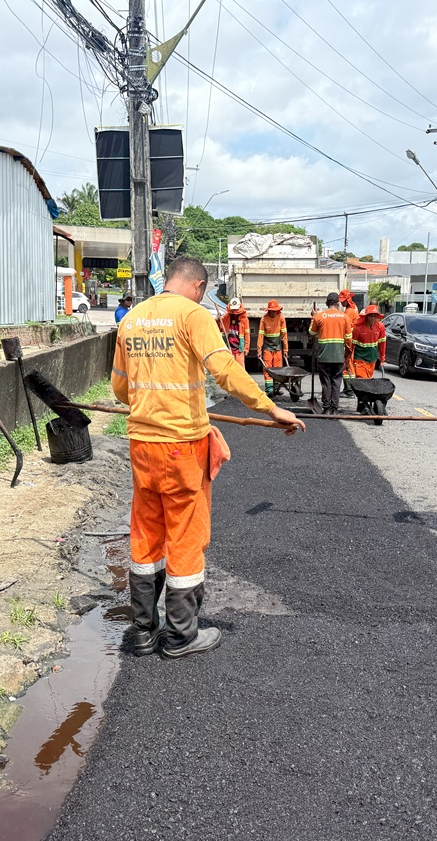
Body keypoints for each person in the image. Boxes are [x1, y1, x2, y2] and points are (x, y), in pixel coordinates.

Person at [112, 258, 304, 659]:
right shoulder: (192, 315)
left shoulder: (131, 319)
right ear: (198, 286)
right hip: (181, 446)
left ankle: (144, 631)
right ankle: (181, 636)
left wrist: (151, 404)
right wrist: (270, 408)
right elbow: (225, 371)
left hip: (141, 444)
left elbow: (120, 387)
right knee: (185, 535)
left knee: (146, 533)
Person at [308, 292, 352, 414]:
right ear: (338, 303)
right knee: (336, 382)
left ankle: (326, 408)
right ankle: (334, 408)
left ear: (327, 303)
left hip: (324, 356)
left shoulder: (319, 317)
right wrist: (347, 355)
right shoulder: (345, 317)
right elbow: (349, 339)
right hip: (338, 356)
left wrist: (313, 317)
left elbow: (312, 333)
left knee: (326, 382)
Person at [257, 300, 289, 396]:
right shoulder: (264, 319)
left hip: (278, 347)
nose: (274, 313)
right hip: (267, 348)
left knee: (278, 368)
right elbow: (260, 336)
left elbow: (284, 335)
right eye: (272, 311)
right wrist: (259, 350)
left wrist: (286, 349)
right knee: (268, 368)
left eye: (275, 311)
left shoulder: (281, 318)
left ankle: (277, 388)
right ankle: (269, 389)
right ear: (269, 311)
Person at [351, 304, 387, 379]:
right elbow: (351, 346)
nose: (373, 318)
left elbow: (382, 344)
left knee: (368, 380)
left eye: (375, 316)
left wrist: (382, 360)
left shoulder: (380, 327)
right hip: (360, 359)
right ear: (366, 316)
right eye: (371, 316)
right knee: (362, 379)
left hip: (372, 359)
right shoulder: (358, 329)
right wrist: (348, 359)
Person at [339, 290, 360, 397]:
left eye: (343, 301)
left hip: (349, 340)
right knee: (349, 363)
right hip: (352, 339)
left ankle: (349, 389)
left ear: (348, 299)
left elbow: (345, 327)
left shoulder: (349, 311)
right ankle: (349, 388)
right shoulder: (354, 308)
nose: (341, 303)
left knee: (347, 363)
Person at [219, 297, 249, 366]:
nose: (235, 312)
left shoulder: (244, 319)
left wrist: (246, 348)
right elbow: (220, 328)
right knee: (229, 368)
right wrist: (217, 320)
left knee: (240, 368)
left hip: (239, 349)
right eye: (233, 309)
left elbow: (247, 335)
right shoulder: (226, 317)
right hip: (229, 348)